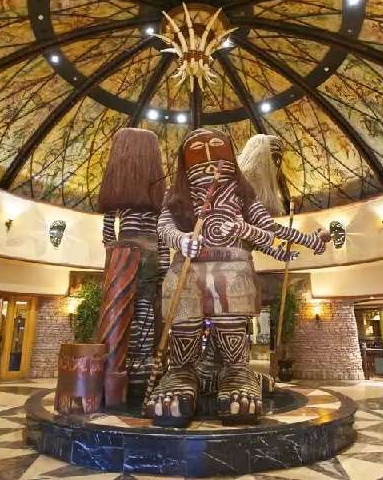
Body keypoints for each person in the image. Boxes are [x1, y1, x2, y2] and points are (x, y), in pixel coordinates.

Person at [147, 128, 325, 427]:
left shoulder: (241, 192)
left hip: (233, 265)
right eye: (197, 150)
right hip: (187, 269)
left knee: (231, 323)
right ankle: (180, 373)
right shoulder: (177, 194)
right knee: (185, 324)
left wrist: (307, 240)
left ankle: (236, 373)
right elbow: (164, 225)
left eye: (216, 147)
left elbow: (268, 227)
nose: (208, 157)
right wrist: (180, 239)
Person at [96, 128, 168, 405]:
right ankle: (132, 365)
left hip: (136, 256)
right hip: (137, 256)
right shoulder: (136, 195)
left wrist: (163, 260)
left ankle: (136, 363)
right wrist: (115, 252)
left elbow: (160, 232)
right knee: (135, 311)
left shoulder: (147, 195)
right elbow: (108, 230)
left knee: (137, 311)